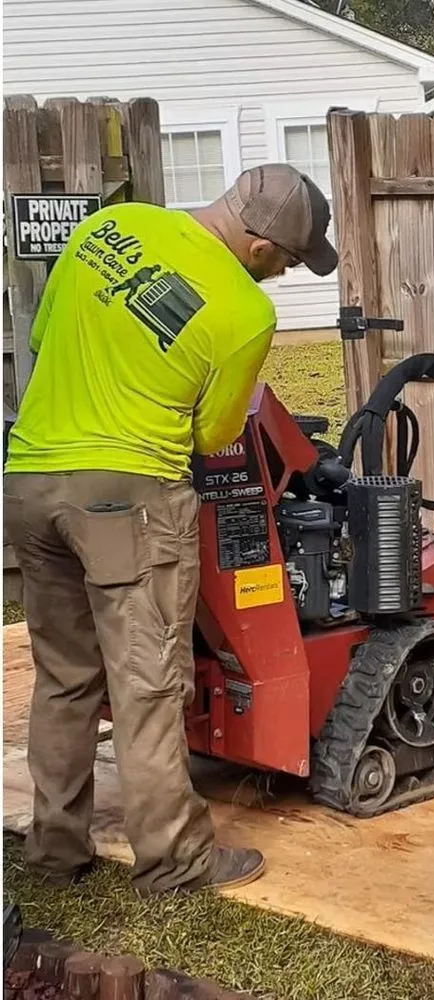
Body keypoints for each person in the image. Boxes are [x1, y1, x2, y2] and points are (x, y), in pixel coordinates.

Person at [3, 163, 338, 896]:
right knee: (149, 683)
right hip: (128, 496)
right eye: (286, 261)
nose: (282, 275)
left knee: (65, 677)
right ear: (259, 248)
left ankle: (57, 850)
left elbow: (45, 332)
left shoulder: (108, 226)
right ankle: (174, 860)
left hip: (29, 480)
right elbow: (214, 434)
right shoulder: (244, 311)